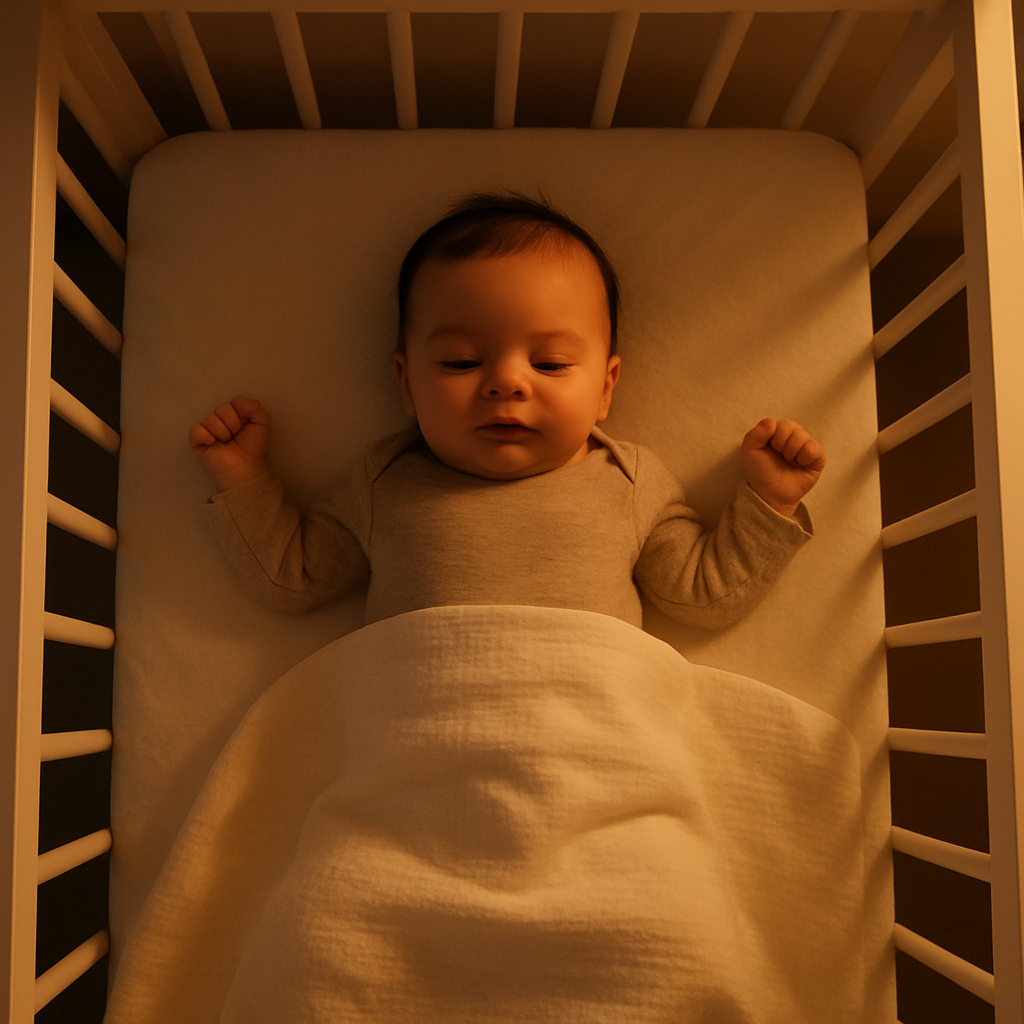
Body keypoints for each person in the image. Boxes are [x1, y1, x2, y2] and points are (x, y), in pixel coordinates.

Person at [188, 192, 825, 630]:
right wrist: (244, 482)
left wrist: (769, 504)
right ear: (406, 385)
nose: (505, 384)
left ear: (606, 388)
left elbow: (703, 594)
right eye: (462, 362)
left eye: (549, 365)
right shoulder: (384, 481)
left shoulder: (628, 482)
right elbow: (293, 580)